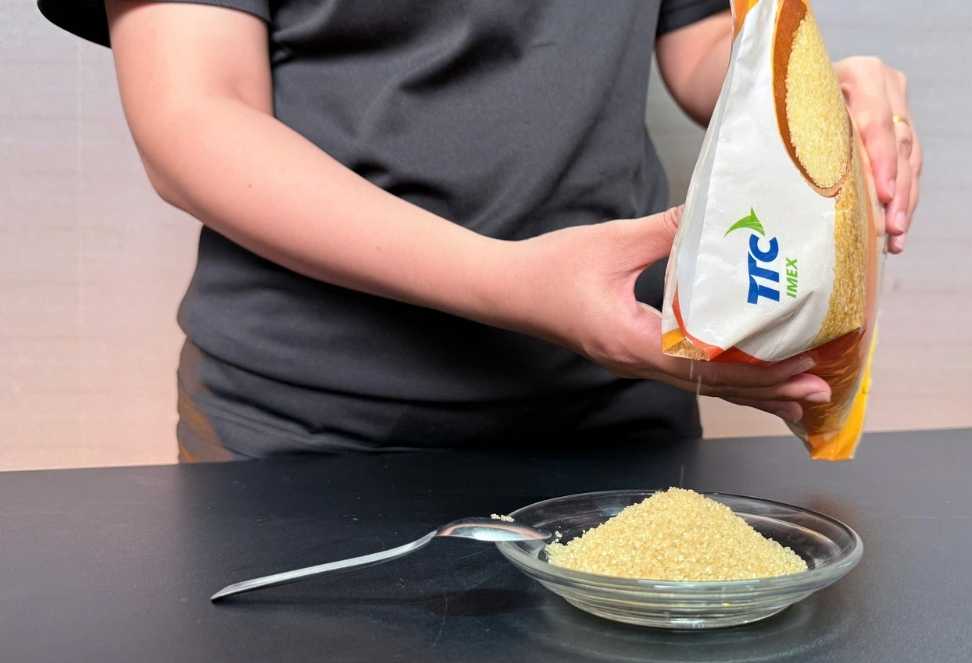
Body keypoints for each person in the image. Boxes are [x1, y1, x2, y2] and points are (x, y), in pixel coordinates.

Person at [40, 0, 922, 460]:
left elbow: (697, 38)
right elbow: (195, 113)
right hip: (311, 434)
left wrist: (811, 88)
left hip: (613, 418)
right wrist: (511, 283)